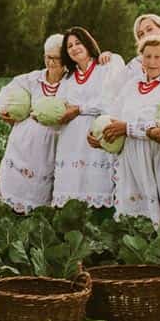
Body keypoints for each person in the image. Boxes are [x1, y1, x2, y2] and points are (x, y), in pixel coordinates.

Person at [96, 35, 160, 225]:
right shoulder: (132, 85)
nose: (151, 62)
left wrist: (129, 128)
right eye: (147, 56)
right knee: (134, 216)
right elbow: (114, 115)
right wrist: (100, 135)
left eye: (158, 57)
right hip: (131, 158)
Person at [52, 27, 126, 208]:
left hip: (95, 133)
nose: (74, 48)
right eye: (69, 46)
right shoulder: (68, 78)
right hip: (70, 138)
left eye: (78, 42)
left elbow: (111, 101)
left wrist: (79, 108)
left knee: (96, 181)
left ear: (88, 43)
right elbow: (60, 104)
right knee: (72, 183)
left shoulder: (106, 66)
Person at [0, 34, 66, 212]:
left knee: (41, 193)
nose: (51, 62)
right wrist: (5, 110)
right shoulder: (31, 79)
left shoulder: (71, 82)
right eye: (48, 57)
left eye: (57, 58)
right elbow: (4, 95)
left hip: (53, 145)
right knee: (16, 185)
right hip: (24, 144)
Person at [103, 14, 160, 85]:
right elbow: (115, 86)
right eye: (141, 34)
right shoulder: (135, 64)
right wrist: (111, 59)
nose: (146, 35)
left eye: (149, 29)